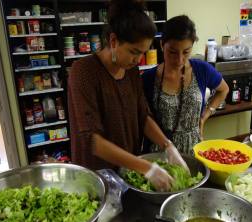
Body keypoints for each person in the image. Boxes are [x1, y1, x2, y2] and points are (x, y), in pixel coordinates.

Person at [68, 0, 189, 192]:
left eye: (142, 53)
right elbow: (92, 140)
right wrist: (147, 168)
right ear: (114, 41)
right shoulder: (83, 72)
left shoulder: (131, 71)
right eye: (134, 52)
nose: (138, 59)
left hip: (129, 170)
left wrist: (167, 145)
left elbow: (143, 116)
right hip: (97, 177)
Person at [142, 15, 229, 155]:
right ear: (162, 44)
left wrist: (205, 116)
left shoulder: (201, 69)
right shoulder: (148, 78)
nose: (179, 60)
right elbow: (145, 118)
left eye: (186, 52)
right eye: (172, 52)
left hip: (193, 150)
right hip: (160, 153)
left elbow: (224, 89)